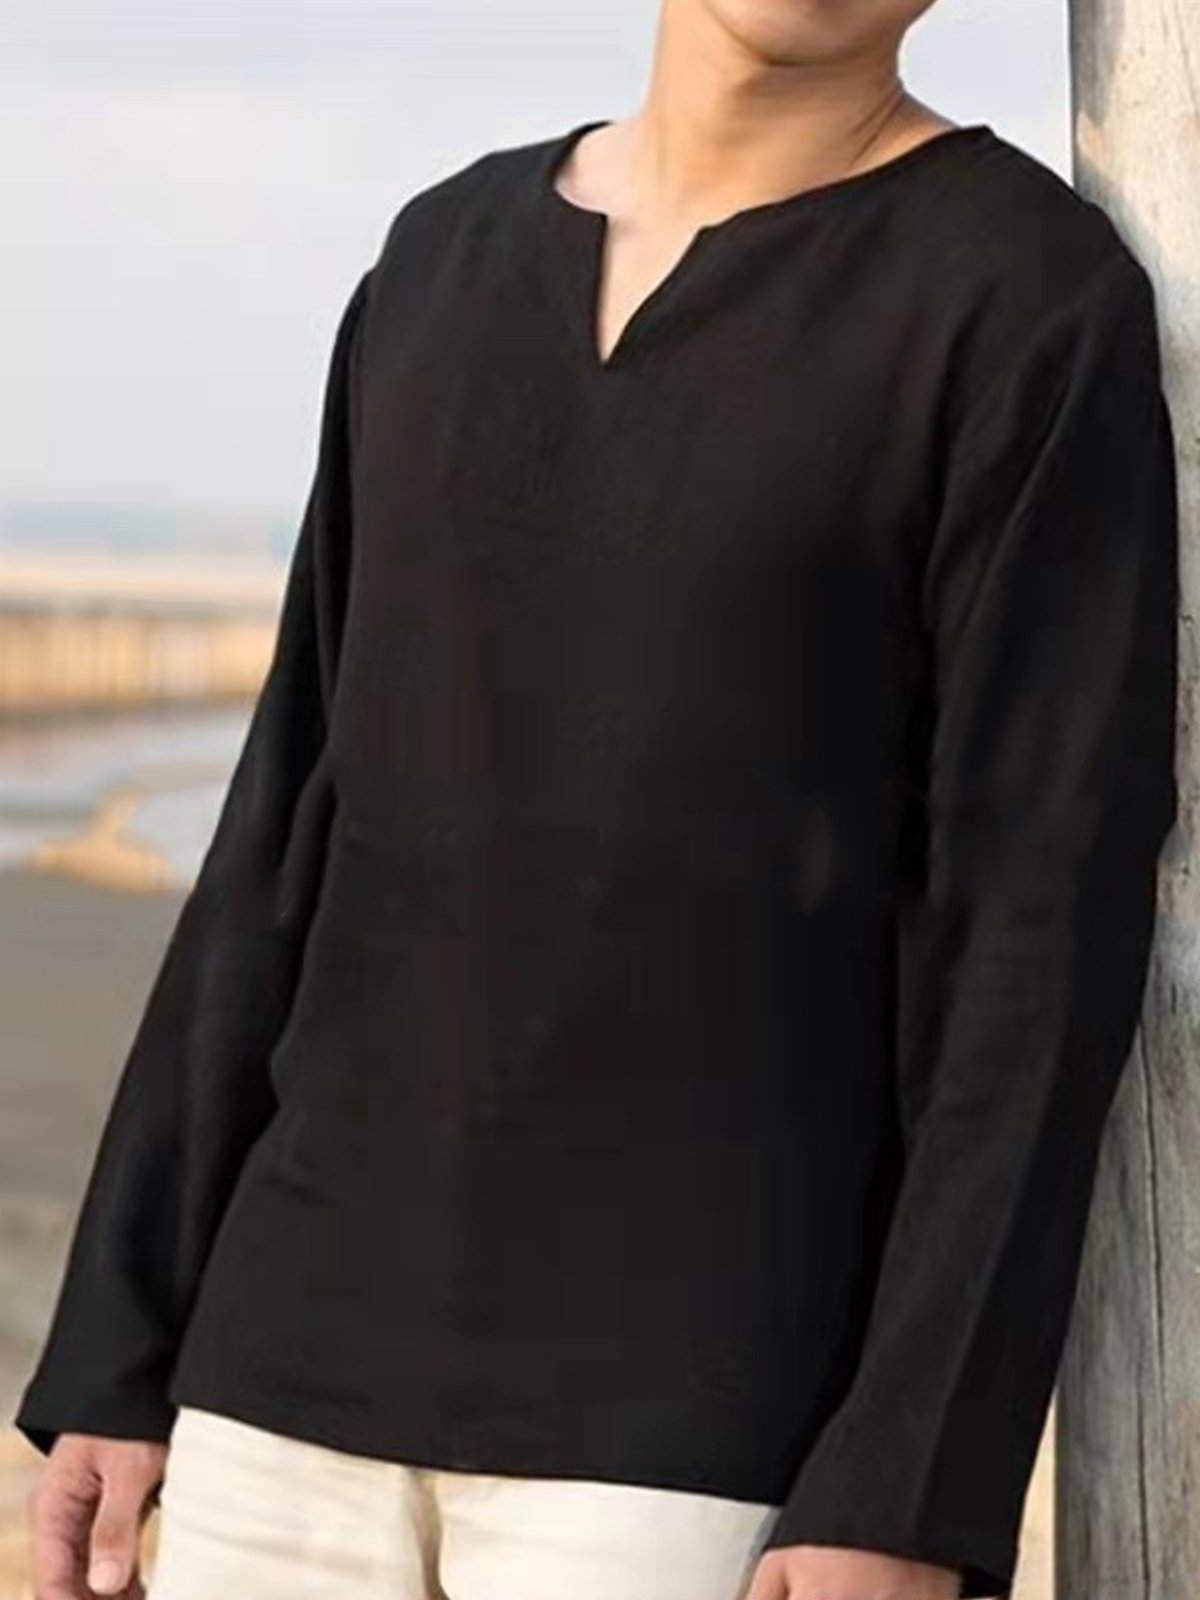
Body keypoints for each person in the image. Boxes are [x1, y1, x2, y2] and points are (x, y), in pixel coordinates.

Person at [17, 0, 1179, 1597]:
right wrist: (120, 1343)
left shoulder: (1023, 295)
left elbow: (1038, 934)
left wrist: (910, 1485)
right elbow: (285, 822)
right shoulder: (438, 259)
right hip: (273, 1401)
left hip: (693, 1445)